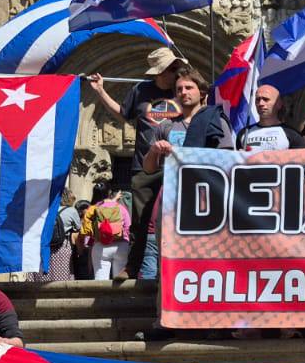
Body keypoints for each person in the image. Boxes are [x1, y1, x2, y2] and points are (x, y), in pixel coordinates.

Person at [87, 48, 190, 275]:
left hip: (178, 164)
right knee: (141, 219)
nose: (175, 72)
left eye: (176, 67)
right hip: (145, 164)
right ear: (159, 72)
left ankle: (182, 265)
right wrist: (101, 92)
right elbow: (124, 114)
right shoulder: (141, 90)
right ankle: (133, 266)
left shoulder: (182, 89)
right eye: (171, 68)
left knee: (182, 216)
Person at [135, 67, 232, 279]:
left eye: (189, 87)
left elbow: (228, 161)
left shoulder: (217, 121)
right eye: (179, 89)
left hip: (206, 199)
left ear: (202, 92)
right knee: (171, 254)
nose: (183, 92)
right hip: (173, 200)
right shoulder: (166, 127)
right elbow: (148, 168)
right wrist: (154, 150)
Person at [83, 181, 131, 280]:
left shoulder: (93, 209)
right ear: (109, 192)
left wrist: (89, 243)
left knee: (100, 279)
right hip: (121, 245)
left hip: (100, 246)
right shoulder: (121, 208)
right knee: (120, 281)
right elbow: (128, 226)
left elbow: (88, 229)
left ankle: (100, 296)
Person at [238, 84, 305, 152]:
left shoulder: (292, 134)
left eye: (266, 99)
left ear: (279, 104)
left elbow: (301, 160)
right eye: (258, 99)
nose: (261, 103)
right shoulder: (244, 133)